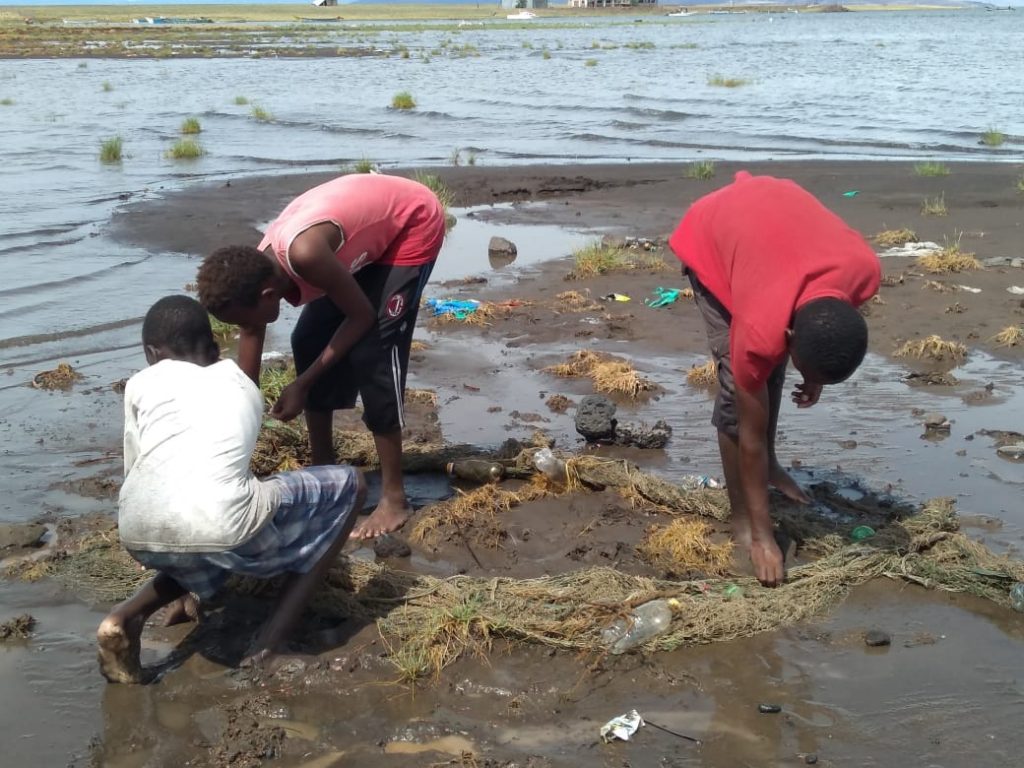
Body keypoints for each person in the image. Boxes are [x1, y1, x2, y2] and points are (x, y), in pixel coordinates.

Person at [96, 296, 365, 683]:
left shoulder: (141, 383)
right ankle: (270, 646)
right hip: (221, 524)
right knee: (351, 484)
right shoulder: (241, 384)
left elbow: (139, 467)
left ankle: (126, 615)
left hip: (136, 528)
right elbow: (218, 477)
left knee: (196, 530)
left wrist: (184, 584)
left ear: (153, 353)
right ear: (213, 347)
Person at [196, 173, 444, 541]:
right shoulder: (257, 271)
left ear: (267, 295)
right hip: (360, 240)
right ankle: (324, 472)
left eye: (243, 322)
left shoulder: (305, 255)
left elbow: (361, 316)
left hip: (411, 222)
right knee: (308, 337)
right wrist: (242, 422)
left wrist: (303, 383)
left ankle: (394, 498)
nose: (245, 329)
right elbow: (251, 339)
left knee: (374, 353)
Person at [669, 171, 880, 588]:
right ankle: (743, 521)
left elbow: (822, 327)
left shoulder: (865, 272)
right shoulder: (761, 330)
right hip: (712, 232)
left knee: (772, 369)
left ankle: (771, 468)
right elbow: (748, 435)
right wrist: (765, 537)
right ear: (788, 338)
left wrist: (815, 372)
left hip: (774, 218)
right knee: (740, 390)